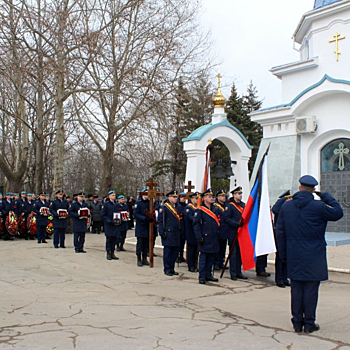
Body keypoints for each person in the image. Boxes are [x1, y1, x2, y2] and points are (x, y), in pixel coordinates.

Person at [276, 175, 343, 334]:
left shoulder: (286, 207)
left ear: (299, 188)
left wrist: (283, 254)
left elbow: (280, 231)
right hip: (314, 254)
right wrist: (326, 196)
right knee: (311, 289)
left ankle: (297, 322)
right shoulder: (319, 206)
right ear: (313, 190)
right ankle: (309, 322)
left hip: (294, 253)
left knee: (297, 288)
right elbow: (338, 213)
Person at [193, 188, 220, 284]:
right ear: (204, 198)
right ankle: (202, 276)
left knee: (211, 257)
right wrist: (199, 236)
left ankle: (209, 275)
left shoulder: (215, 209)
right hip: (204, 237)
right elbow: (196, 224)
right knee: (203, 258)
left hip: (213, 237)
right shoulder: (200, 210)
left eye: (212, 196)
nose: (211, 198)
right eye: (209, 196)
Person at [224, 186, 247, 280]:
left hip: (242, 233)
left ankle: (238, 271)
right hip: (233, 232)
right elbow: (226, 218)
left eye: (241, 194)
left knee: (240, 254)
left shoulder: (243, 205)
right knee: (233, 254)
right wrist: (237, 224)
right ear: (234, 195)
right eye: (238, 194)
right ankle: (233, 273)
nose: (240, 195)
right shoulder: (230, 206)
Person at [158, 190, 182, 276]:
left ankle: (172, 268)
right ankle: (167, 268)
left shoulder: (178, 207)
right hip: (168, 232)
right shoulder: (164, 207)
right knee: (168, 252)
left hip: (176, 233)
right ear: (169, 197)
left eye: (176, 197)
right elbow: (161, 221)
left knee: (175, 252)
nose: (176, 199)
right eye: (174, 197)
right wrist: (161, 232)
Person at [272, 190, 292, 288]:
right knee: (280, 258)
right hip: (280, 235)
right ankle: (279, 279)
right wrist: (283, 199)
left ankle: (285, 278)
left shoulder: (289, 209)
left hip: (288, 235)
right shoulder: (279, 208)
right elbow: (274, 210)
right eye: (289, 198)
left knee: (287, 258)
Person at [134, 189, 152, 267]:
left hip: (147, 226)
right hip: (140, 226)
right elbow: (136, 214)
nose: (147, 195)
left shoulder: (149, 203)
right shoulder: (138, 203)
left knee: (146, 244)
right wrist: (144, 218)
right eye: (145, 194)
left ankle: (144, 258)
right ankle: (139, 258)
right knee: (140, 244)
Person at [184, 191, 200, 272]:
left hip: (197, 232)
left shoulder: (198, 208)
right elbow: (191, 218)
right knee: (191, 250)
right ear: (192, 199)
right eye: (196, 198)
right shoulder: (188, 208)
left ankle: (195, 264)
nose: (197, 200)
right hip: (190, 232)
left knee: (196, 249)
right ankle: (191, 265)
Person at [101, 191, 119, 261]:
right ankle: (108, 253)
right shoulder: (106, 204)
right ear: (109, 196)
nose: (114, 196)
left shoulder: (116, 204)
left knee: (114, 239)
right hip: (109, 224)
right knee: (109, 239)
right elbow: (103, 215)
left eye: (115, 195)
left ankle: (112, 253)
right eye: (112, 195)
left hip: (115, 224)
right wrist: (109, 221)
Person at [213, 190, 229, 271]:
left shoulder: (226, 206)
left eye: (224, 196)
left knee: (223, 248)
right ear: (218, 197)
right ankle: (215, 263)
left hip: (225, 230)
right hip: (218, 230)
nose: (224, 197)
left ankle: (221, 262)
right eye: (222, 196)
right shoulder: (215, 207)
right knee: (217, 248)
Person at [176, 192, 187, 264]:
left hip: (184, 226)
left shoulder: (186, 205)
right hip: (179, 226)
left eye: (184, 197)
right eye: (182, 197)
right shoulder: (177, 205)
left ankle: (181, 255)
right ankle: (177, 256)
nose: (184, 199)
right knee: (178, 243)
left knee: (182, 242)